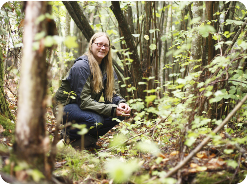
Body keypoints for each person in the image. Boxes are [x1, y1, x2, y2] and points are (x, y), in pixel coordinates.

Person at [54, 32, 131, 149]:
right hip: (65, 107)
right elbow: (84, 101)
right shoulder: (81, 66)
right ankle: (67, 136)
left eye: (106, 45)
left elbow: (112, 95)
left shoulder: (108, 68)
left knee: (119, 115)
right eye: (99, 44)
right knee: (95, 119)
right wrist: (112, 110)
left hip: (82, 107)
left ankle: (85, 141)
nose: (103, 48)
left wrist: (121, 103)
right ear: (91, 45)